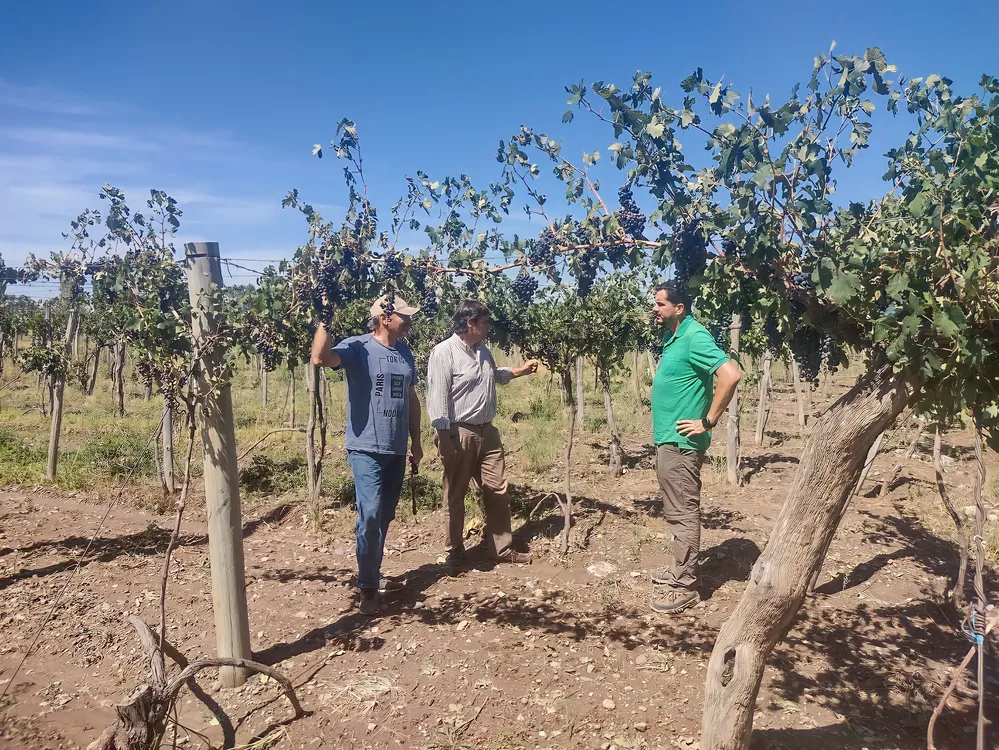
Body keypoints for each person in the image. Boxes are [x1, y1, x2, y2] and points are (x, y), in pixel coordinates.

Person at [311, 293, 423, 616]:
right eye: (405, 315)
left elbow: (411, 399)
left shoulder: (405, 353)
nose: (410, 320)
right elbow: (320, 358)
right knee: (370, 513)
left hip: (396, 448)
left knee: (384, 517)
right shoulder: (358, 348)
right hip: (365, 448)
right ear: (386, 318)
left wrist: (416, 442)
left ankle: (372, 572)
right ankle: (368, 585)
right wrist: (326, 319)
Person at [649, 282, 741, 614]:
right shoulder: (674, 336)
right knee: (675, 511)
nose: (655, 309)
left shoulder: (694, 336)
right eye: (655, 303)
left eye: (660, 304)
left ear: (680, 308)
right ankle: (679, 569)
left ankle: (684, 586)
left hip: (682, 443)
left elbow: (730, 374)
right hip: (669, 441)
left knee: (683, 513)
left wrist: (708, 420)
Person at [426, 300, 539, 565]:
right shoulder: (444, 353)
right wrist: (443, 437)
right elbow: (437, 398)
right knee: (455, 493)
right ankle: (454, 553)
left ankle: (500, 549)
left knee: (498, 490)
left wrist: (519, 371)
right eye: (485, 322)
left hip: (487, 432)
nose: (489, 327)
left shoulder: (483, 350)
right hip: (458, 431)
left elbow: (493, 375)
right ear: (470, 323)